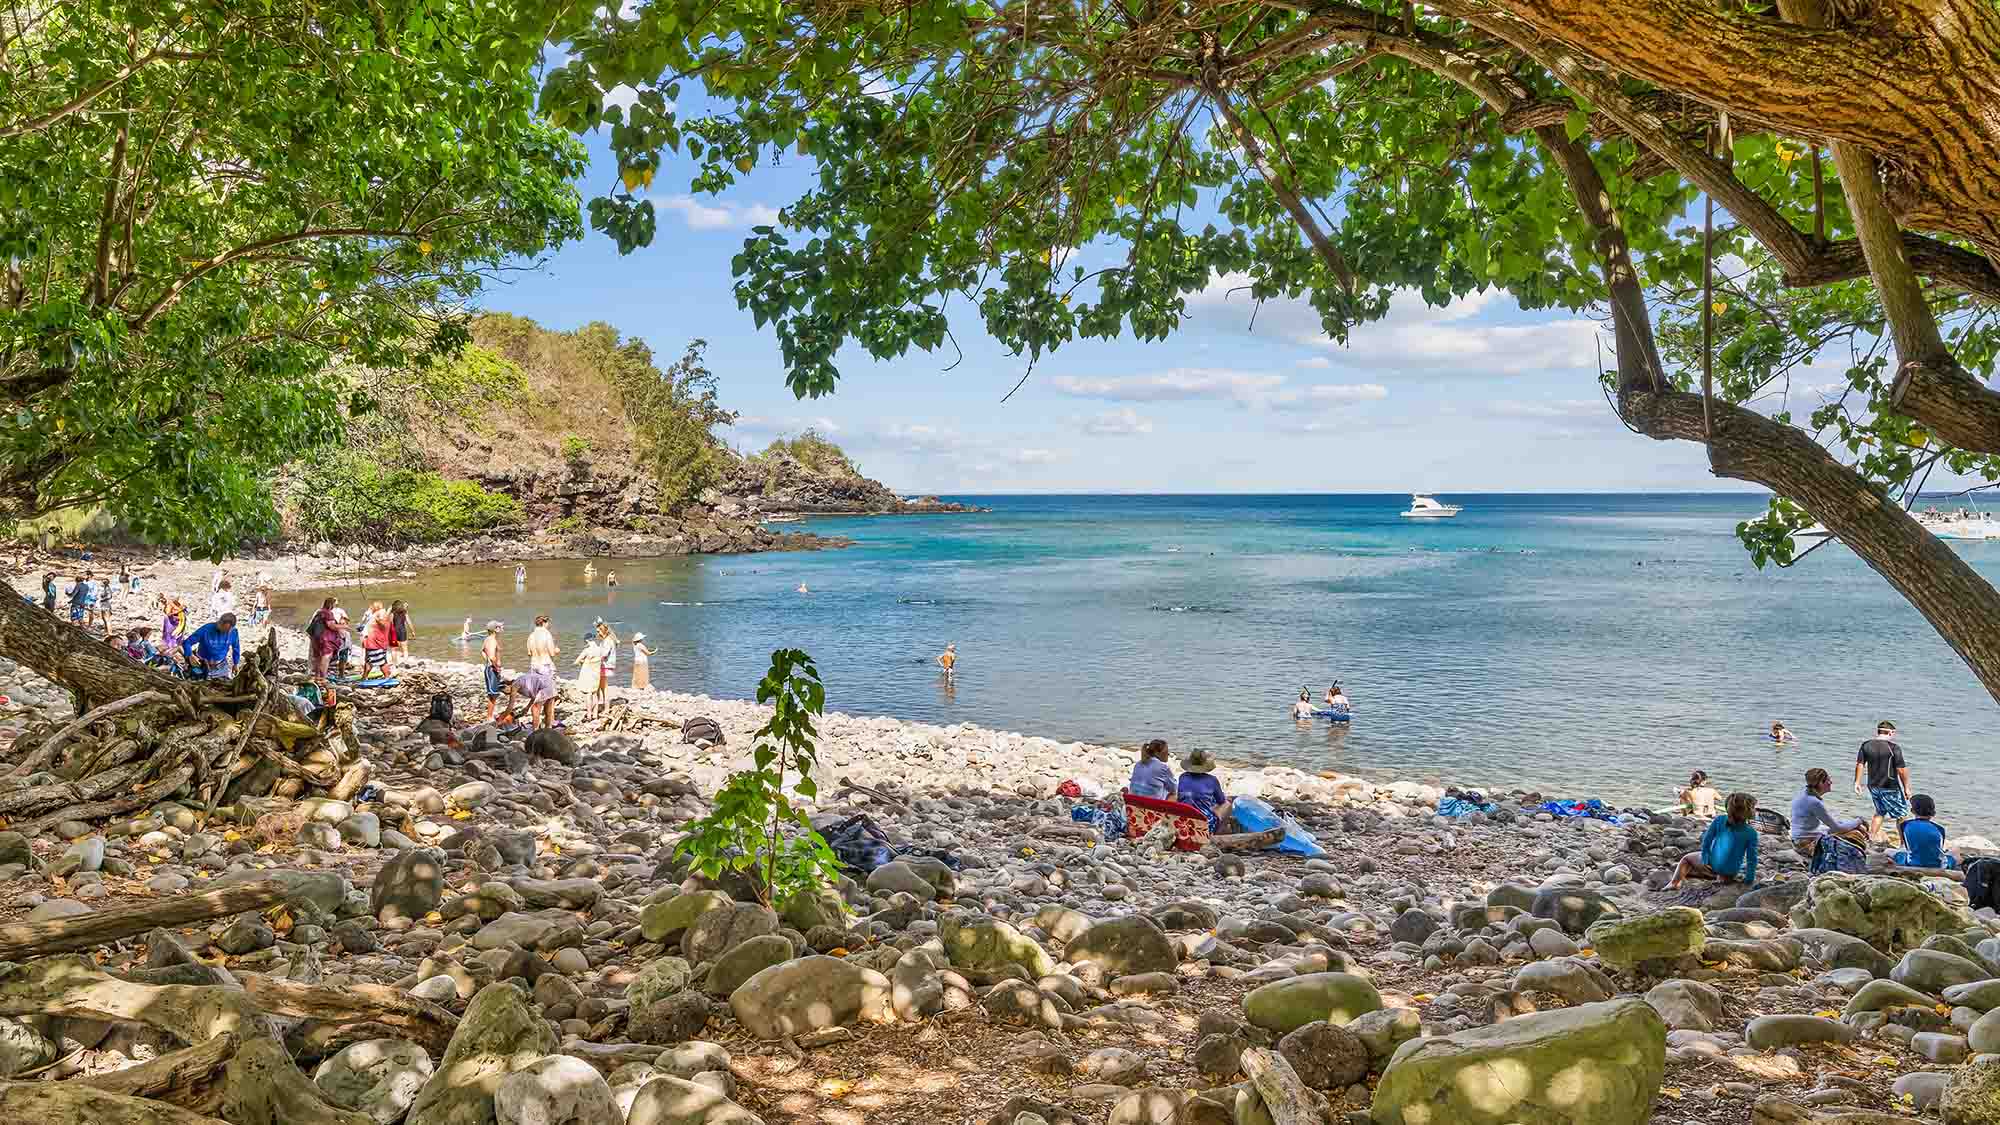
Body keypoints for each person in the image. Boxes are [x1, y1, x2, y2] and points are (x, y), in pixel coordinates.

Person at [1667, 792, 1761, 889]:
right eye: (1754, 808)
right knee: (1737, 866)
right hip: (1731, 870)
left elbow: (1707, 840)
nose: (1755, 810)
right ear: (1747, 811)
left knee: (1686, 859)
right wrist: (1749, 879)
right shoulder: (1751, 833)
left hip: (1712, 864)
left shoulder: (1719, 820)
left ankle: (1674, 883)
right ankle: (1722, 878)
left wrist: (1705, 858)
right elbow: (1752, 858)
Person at [1791, 767, 1870, 864]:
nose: (1831, 782)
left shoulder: (1805, 793)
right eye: (1828, 780)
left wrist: (1856, 824)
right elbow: (1837, 827)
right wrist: (1859, 821)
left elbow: (1832, 823)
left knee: (1850, 828)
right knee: (1854, 835)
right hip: (1805, 843)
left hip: (1802, 837)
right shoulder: (1814, 802)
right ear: (1820, 783)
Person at [1856, 721, 1911, 843]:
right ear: (1891, 732)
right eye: (1893, 733)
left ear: (1878, 731)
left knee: (1880, 811)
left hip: (1873, 785)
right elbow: (1901, 770)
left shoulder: (1866, 745)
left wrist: (1857, 782)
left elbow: (1860, 764)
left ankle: (1869, 840)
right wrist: (1906, 787)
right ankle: (1904, 843)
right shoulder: (1894, 748)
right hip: (1890, 786)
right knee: (1901, 815)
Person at [1895, 794, 1961, 870]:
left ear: (1912, 811)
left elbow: (1906, 846)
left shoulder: (1904, 825)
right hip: (1938, 866)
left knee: (1888, 851)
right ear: (1933, 812)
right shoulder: (1940, 828)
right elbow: (1938, 849)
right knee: (1956, 850)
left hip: (1911, 863)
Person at [1177, 749, 1234, 831]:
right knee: (1227, 804)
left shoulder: (1182, 777)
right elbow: (1221, 801)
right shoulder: (1212, 780)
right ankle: (1218, 832)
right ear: (1204, 764)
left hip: (1184, 821)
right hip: (1205, 825)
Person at [181, 613, 241, 680]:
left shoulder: (234, 632)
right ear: (219, 622)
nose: (223, 632)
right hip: (201, 665)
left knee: (221, 688)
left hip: (221, 667)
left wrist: (236, 663)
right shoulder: (207, 629)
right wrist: (190, 655)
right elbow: (187, 642)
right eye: (222, 628)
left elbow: (236, 648)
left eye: (226, 631)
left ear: (231, 628)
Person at [307, 597, 342, 678]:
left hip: (316, 638)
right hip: (325, 639)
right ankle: (323, 678)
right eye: (334, 604)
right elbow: (331, 626)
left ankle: (317, 677)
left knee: (318, 658)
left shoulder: (319, 612)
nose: (334, 607)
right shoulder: (328, 613)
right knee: (326, 657)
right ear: (330, 604)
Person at [574, 630, 604, 719]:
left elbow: (576, 662)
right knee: (595, 693)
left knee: (588, 694)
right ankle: (595, 714)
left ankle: (589, 714)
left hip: (588, 674)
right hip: (596, 674)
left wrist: (583, 661)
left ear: (587, 640)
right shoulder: (600, 649)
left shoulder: (587, 650)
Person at [360, 606, 394, 680]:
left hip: (377, 645)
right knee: (370, 661)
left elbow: (383, 624)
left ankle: (387, 676)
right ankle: (365, 677)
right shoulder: (376, 620)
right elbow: (362, 627)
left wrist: (376, 617)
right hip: (372, 644)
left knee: (381, 662)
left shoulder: (383, 621)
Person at [482, 621, 506, 720]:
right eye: (499, 626)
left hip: (489, 667)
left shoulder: (487, 639)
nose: (501, 628)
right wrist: (496, 667)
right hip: (492, 669)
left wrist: (487, 660)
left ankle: (490, 716)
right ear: (495, 629)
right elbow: (492, 656)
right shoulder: (492, 640)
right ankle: (490, 717)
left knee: (493, 694)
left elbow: (483, 651)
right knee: (493, 694)